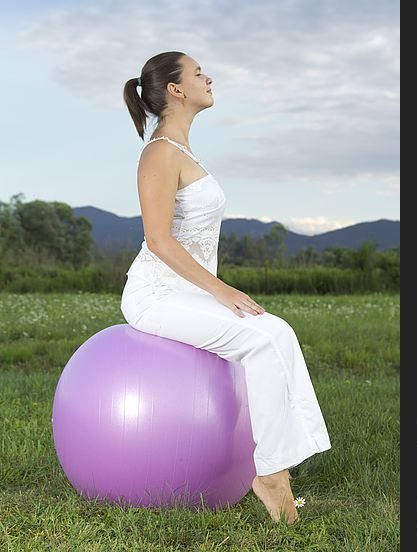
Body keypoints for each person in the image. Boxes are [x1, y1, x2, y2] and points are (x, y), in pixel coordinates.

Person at [121, 51, 331, 524]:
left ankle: (279, 469)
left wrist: (212, 290)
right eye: (197, 73)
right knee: (265, 337)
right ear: (175, 90)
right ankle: (271, 476)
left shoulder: (182, 151)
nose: (208, 77)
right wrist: (220, 290)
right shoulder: (159, 152)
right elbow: (158, 239)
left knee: (277, 331)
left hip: (186, 292)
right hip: (155, 295)